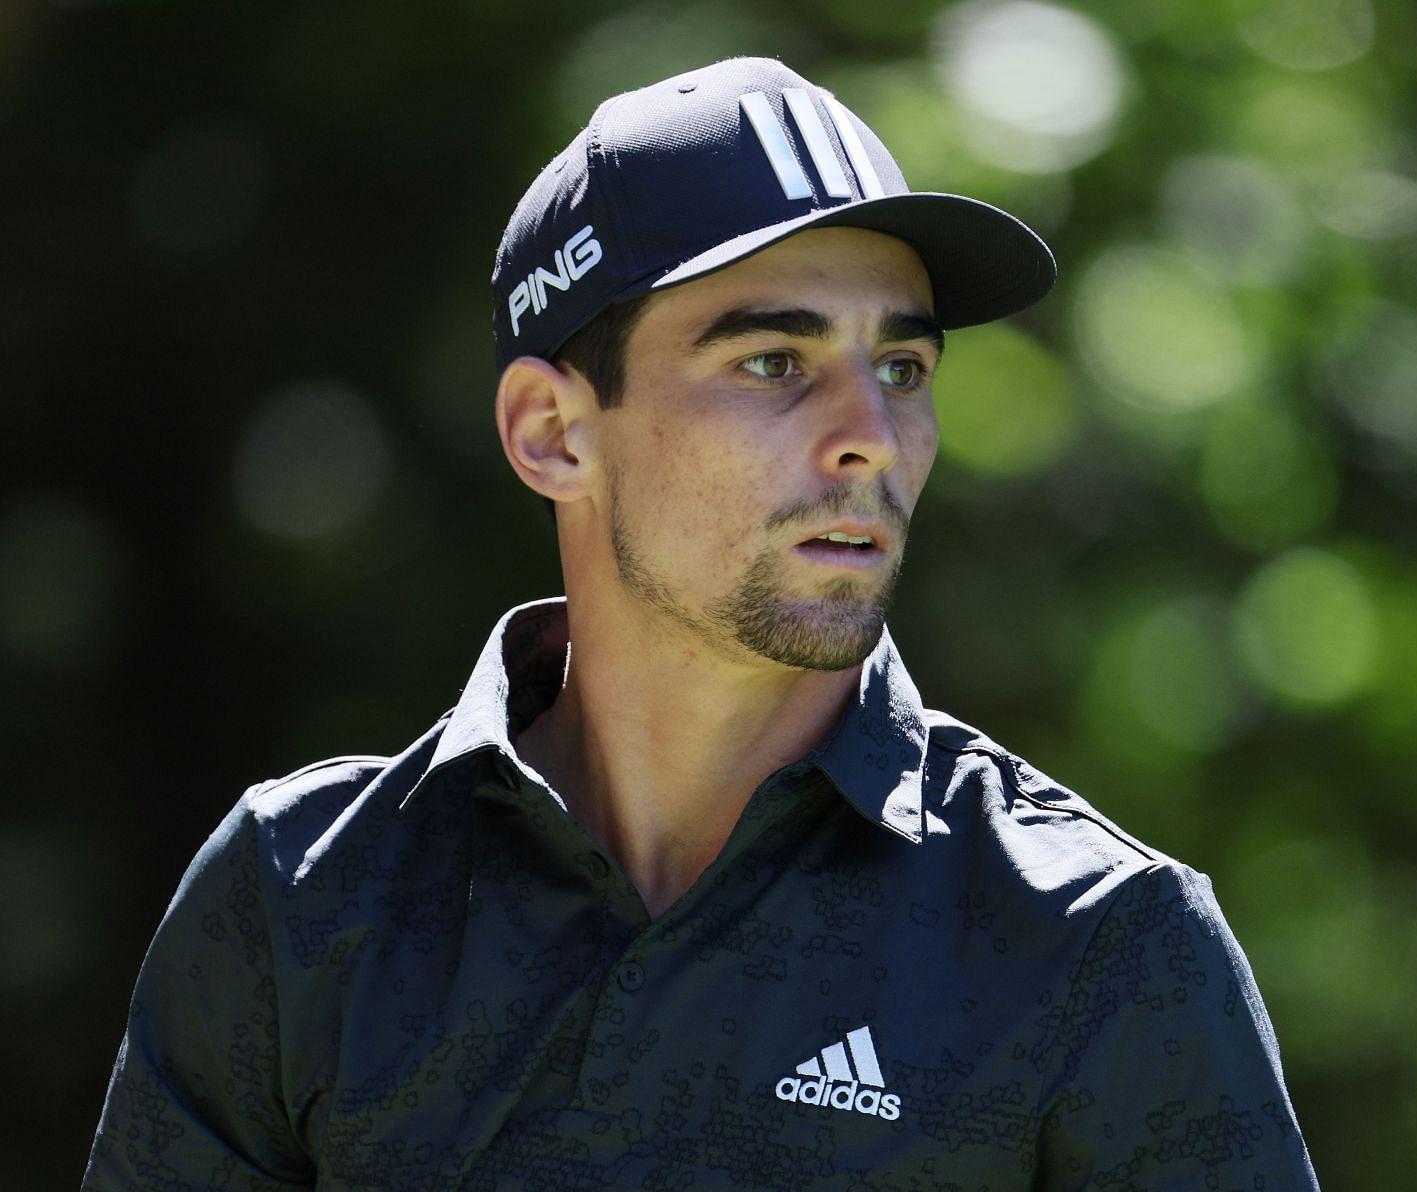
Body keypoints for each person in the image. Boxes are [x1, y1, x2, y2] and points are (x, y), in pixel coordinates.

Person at [85, 57, 1319, 1189]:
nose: (871, 439)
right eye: (774, 363)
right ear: (554, 433)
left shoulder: (1098, 942)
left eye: (903, 369)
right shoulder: (301, 905)